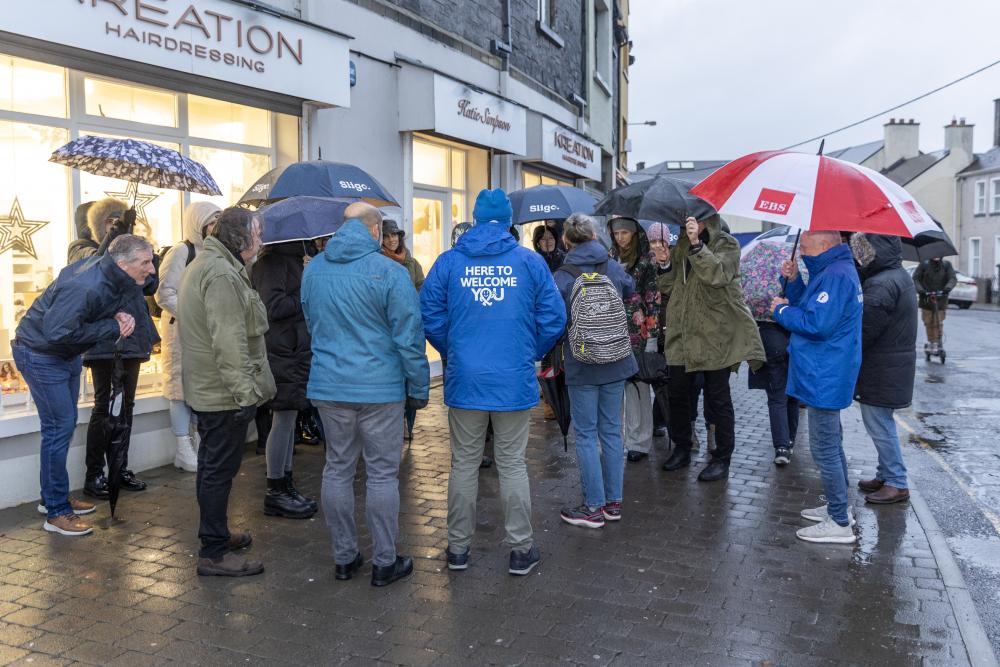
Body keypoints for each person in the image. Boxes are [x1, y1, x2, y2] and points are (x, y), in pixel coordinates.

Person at [421, 188, 565, 576]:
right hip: (512, 378)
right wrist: (528, 349)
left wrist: (455, 348)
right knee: (512, 464)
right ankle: (521, 549)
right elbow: (554, 315)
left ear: (474, 217)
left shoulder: (449, 262)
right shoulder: (529, 263)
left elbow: (429, 312)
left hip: (466, 378)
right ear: (508, 223)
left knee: (464, 464)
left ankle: (458, 549)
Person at [302, 202, 429, 587]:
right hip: (380, 388)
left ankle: (344, 557)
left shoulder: (314, 271)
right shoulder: (390, 272)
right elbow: (409, 337)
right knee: (381, 475)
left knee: (338, 469)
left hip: (330, 384)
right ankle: (384, 561)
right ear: (375, 231)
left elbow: (311, 323)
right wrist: (418, 386)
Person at [13, 234, 153, 536]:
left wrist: (113, 314)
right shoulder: (86, 283)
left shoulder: (109, 274)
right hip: (42, 354)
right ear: (123, 263)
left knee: (63, 425)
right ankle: (56, 513)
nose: (152, 268)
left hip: (64, 354)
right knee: (59, 427)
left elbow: (85, 314)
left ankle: (53, 497)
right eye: (146, 262)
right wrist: (112, 325)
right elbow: (56, 332)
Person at [179, 208, 276, 576]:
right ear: (240, 238)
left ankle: (215, 534)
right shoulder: (220, 273)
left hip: (213, 389)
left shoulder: (216, 266)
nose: (261, 242)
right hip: (223, 393)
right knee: (218, 471)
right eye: (257, 235)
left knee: (213, 469)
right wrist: (245, 395)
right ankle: (214, 553)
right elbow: (230, 342)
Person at [653, 215, 765, 482]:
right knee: (678, 394)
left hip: (714, 334)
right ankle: (682, 447)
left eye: (693, 216)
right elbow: (669, 286)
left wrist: (696, 246)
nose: (687, 221)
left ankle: (722, 457)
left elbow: (717, 275)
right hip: (682, 334)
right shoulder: (680, 243)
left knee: (718, 398)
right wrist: (665, 262)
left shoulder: (726, 244)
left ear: (706, 218)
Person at [771, 230, 863, 544]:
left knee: (823, 448)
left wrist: (780, 311)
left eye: (808, 244)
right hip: (825, 371)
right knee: (831, 445)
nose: (804, 249)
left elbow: (816, 324)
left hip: (825, 373)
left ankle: (838, 522)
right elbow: (812, 307)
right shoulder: (831, 271)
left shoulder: (836, 276)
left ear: (824, 245)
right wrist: (795, 281)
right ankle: (840, 509)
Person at [553, 213, 637, 528]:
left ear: (566, 240)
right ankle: (613, 504)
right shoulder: (612, 267)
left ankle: (592, 507)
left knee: (586, 434)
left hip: (583, 363)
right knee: (612, 431)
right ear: (594, 237)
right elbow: (630, 294)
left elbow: (554, 317)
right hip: (615, 360)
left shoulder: (563, 275)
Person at [81, 199, 159, 500]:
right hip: (105, 341)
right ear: (99, 223)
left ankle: (119, 468)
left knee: (126, 408)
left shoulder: (132, 252)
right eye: (110, 220)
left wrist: (145, 254)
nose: (116, 223)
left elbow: (150, 286)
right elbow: (94, 269)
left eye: (120, 219)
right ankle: (95, 474)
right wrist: (116, 237)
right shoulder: (83, 247)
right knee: (105, 409)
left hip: (133, 339)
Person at [250, 238, 319, 520]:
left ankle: (286, 484)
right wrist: (307, 292)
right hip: (281, 351)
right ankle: (276, 489)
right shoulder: (271, 263)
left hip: (293, 350)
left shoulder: (291, 261)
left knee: (289, 420)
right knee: (283, 418)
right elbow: (273, 306)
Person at [850, 233, 917, 504]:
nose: (859, 255)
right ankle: (885, 473)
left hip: (882, 366)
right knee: (881, 421)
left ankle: (896, 481)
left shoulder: (881, 284)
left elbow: (866, 330)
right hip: (892, 364)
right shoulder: (897, 275)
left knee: (879, 424)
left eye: (862, 249)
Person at [155, 201, 221, 473]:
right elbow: (164, 293)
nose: (217, 225)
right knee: (179, 389)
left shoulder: (215, 252)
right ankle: (183, 447)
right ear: (199, 222)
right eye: (212, 220)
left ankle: (197, 440)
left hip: (206, 332)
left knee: (199, 385)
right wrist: (193, 314)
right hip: (181, 330)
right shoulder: (182, 251)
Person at [740, 240, 799, 466]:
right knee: (792, 395)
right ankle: (790, 439)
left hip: (768, 337)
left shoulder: (755, 268)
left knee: (776, 396)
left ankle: (781, 446)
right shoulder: (795, 274)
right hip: (792, 336)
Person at [606, 217, 660, 462]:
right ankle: (613, 438)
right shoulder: (608, 256)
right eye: (617, 233)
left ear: (635, 233)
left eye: (625, 232)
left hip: (638, 330)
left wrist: (653, 336)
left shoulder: (647, 259)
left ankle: (639, 441)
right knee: (615, 385)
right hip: (612, 328)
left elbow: (653, 297)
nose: (620, 238)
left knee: (638, 386)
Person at [532, 223, 565, 421]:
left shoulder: (562, 259)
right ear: (537, 242)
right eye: (543, 240)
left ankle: (554, 397)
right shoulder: (535, 261)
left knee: (555, 359)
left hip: (559, 314)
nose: (548, 243)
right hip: (540, 316)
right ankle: (549, 399)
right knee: (547, 359)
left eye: (551, 239)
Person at [911, 256, 956, 352]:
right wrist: (921, 290)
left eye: (938, 254)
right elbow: (916, 278)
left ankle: (937, 342)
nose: (936, 256)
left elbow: (952, 278)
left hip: (941, 299)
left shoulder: (946, 265)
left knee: (938, 321)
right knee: (928, 322)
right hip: (926, 299)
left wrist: (947, 288)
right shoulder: (924, 265)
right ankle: (931, 342)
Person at [381, 218, 425, 291]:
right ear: (382, 241)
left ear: (399, 237)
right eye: (386, 236)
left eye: (394, 235)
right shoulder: (378, 262)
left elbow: (421, 289)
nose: (391, 239)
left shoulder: (413, 263)